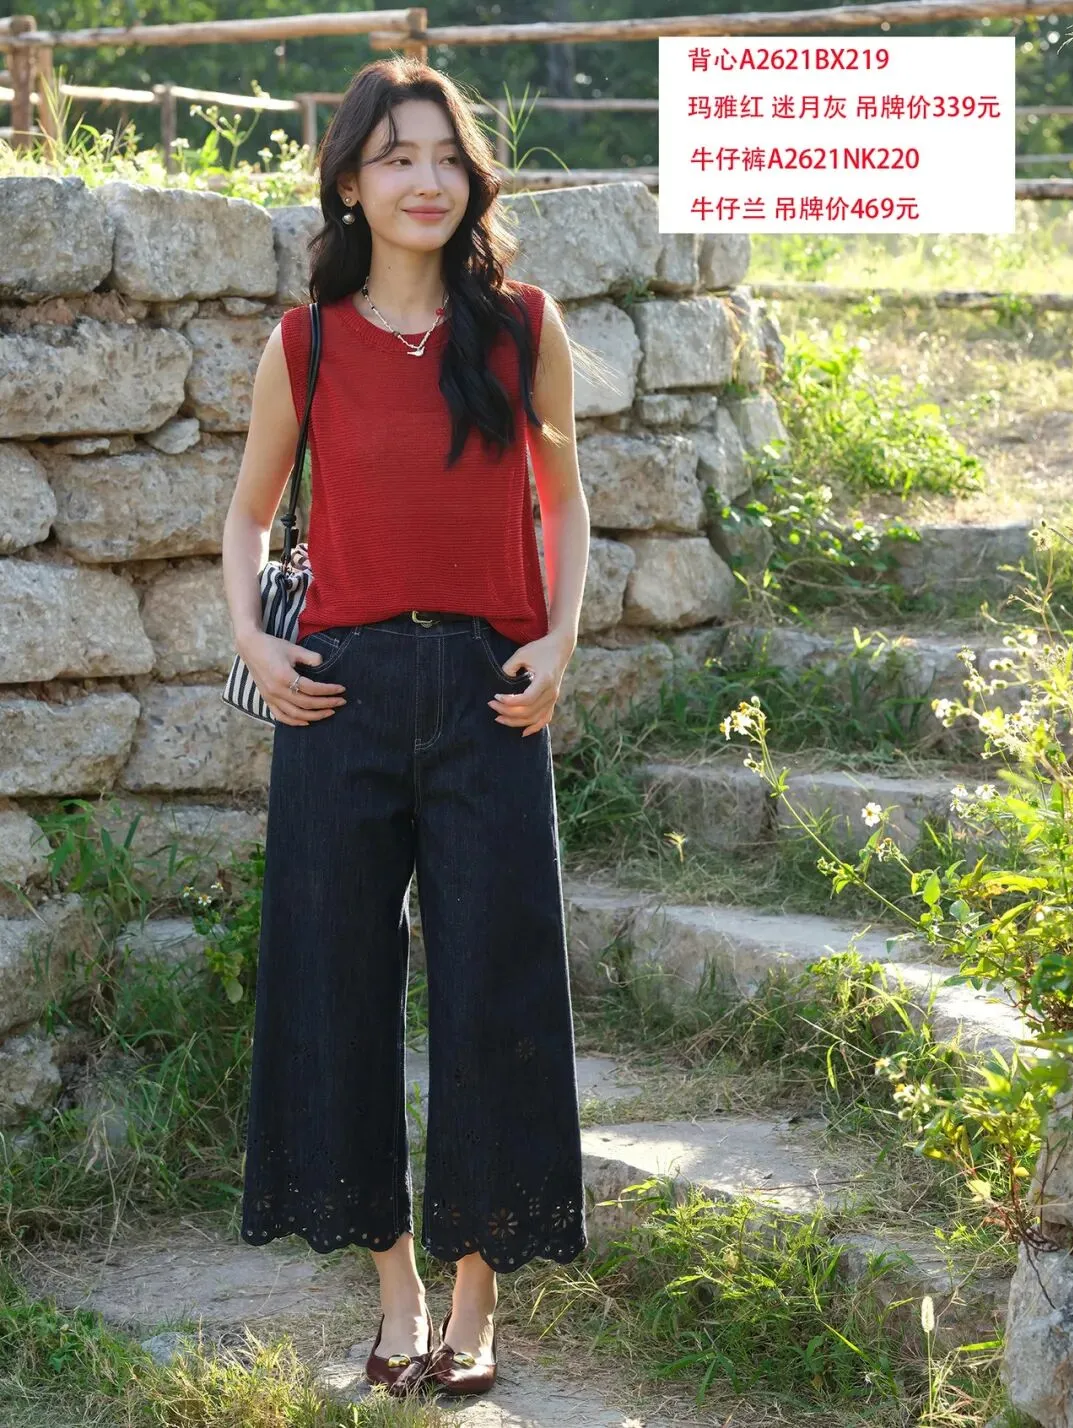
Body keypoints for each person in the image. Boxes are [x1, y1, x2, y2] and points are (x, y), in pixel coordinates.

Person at [220, 55, 592, 1399]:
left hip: (494, 694)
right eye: (396, 158)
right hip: (340, 699)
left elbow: (565, 498)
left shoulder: (523, 327)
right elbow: (247, 514)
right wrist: (255, 640)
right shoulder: (305, 344)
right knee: (334, 987)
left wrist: (559, 640)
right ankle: (396, 1290)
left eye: (445, 156)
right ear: (349, 184)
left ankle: (477, 1301)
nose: (425, 180)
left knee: (497, 991)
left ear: (470, 177)